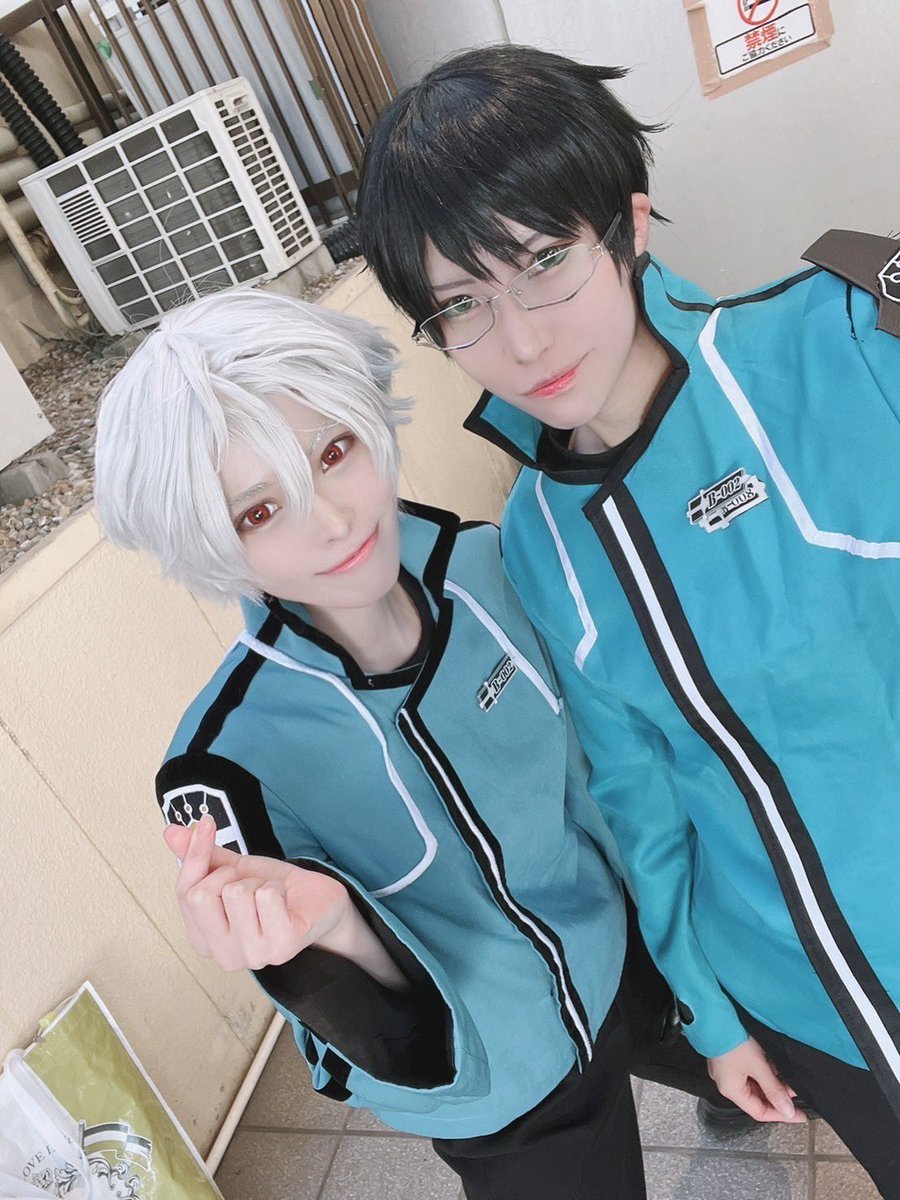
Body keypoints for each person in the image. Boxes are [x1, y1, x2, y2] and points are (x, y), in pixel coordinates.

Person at [356, 43, 900, 1195]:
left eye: (545, 261)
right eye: (461, 304)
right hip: (816, 1012)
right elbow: (642, 803)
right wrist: (711, 1013)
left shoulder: (848, 338)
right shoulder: (538, 545)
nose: (522, 340)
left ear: (630, 225)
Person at [93, 288, 731, 1200]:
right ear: (209, 546)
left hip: (624, 946)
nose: (333, 519)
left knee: (744, 1057)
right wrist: (335, 933)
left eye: (334, 452)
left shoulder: (488, 564)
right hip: (505, 1082)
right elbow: (384, 1036)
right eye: (258, 512)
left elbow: (607, 756)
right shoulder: (226, 764)